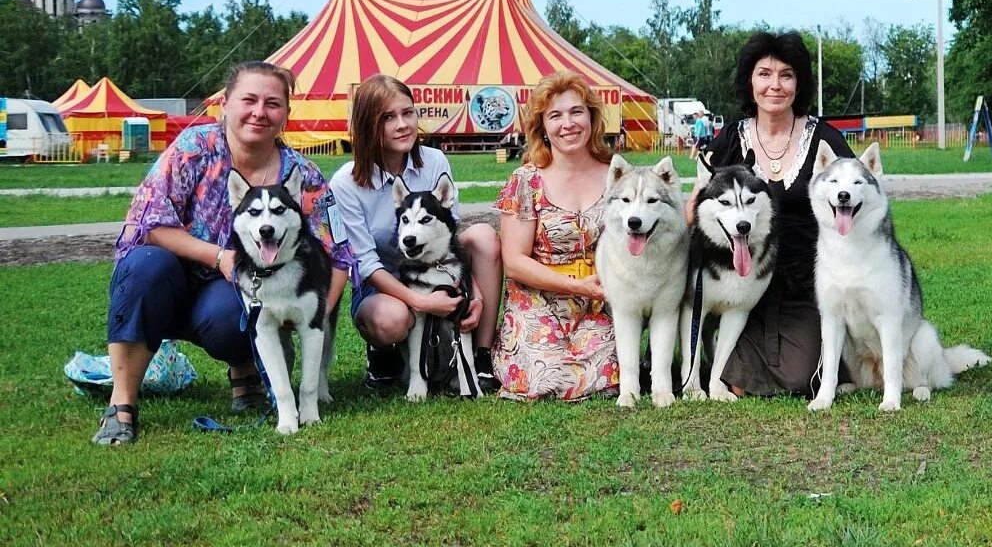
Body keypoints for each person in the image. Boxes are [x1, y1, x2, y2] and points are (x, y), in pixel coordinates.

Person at [94, 61, 354, 445]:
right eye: (249, 99)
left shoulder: (305, 175)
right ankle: (122, 405)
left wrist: (314, 313)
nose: (259, 112)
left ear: (285, 114)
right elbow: (148, 221)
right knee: (144, 265)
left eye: (273, 103)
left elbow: (338, 251)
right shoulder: (193, 149)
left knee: (245, 310)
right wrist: (219, 257)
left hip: (227, 294)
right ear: (225, 105)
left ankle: (243, 371)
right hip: (166, 275)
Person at [691, 30, 853, 397]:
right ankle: (724, 369)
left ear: (799, 83)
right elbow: (699, 203)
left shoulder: (826, 140)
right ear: (750, 81)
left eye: (786, 75)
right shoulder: (730, 139)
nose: (774, 85)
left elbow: (855, 204)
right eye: (764, 74)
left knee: (798, 377)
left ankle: (826, 359)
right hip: (737, 277)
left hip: (806, 280)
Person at [331, 75, 504, 394]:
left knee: (482, 236)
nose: (402, 124)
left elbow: (449, 236)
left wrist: (473, 296)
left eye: (407, 113)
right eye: (388, 117)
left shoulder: (434, 161)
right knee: (391, 319)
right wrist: (421, 301)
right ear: (367, 124)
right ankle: (383, 351)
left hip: (436, 270)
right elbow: (365, 263)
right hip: (382, 286)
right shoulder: (346, 183)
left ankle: (480, 358)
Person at [493, 71, 620, 400]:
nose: (568, 124)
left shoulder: (619, 177)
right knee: (549, 381)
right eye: (555, 116)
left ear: (591, 118)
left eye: (577, 112)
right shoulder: (526, 181)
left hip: (600, 301)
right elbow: (515, 262)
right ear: (542, 127)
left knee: (602, 380)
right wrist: (575, 285)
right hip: (537, 299)